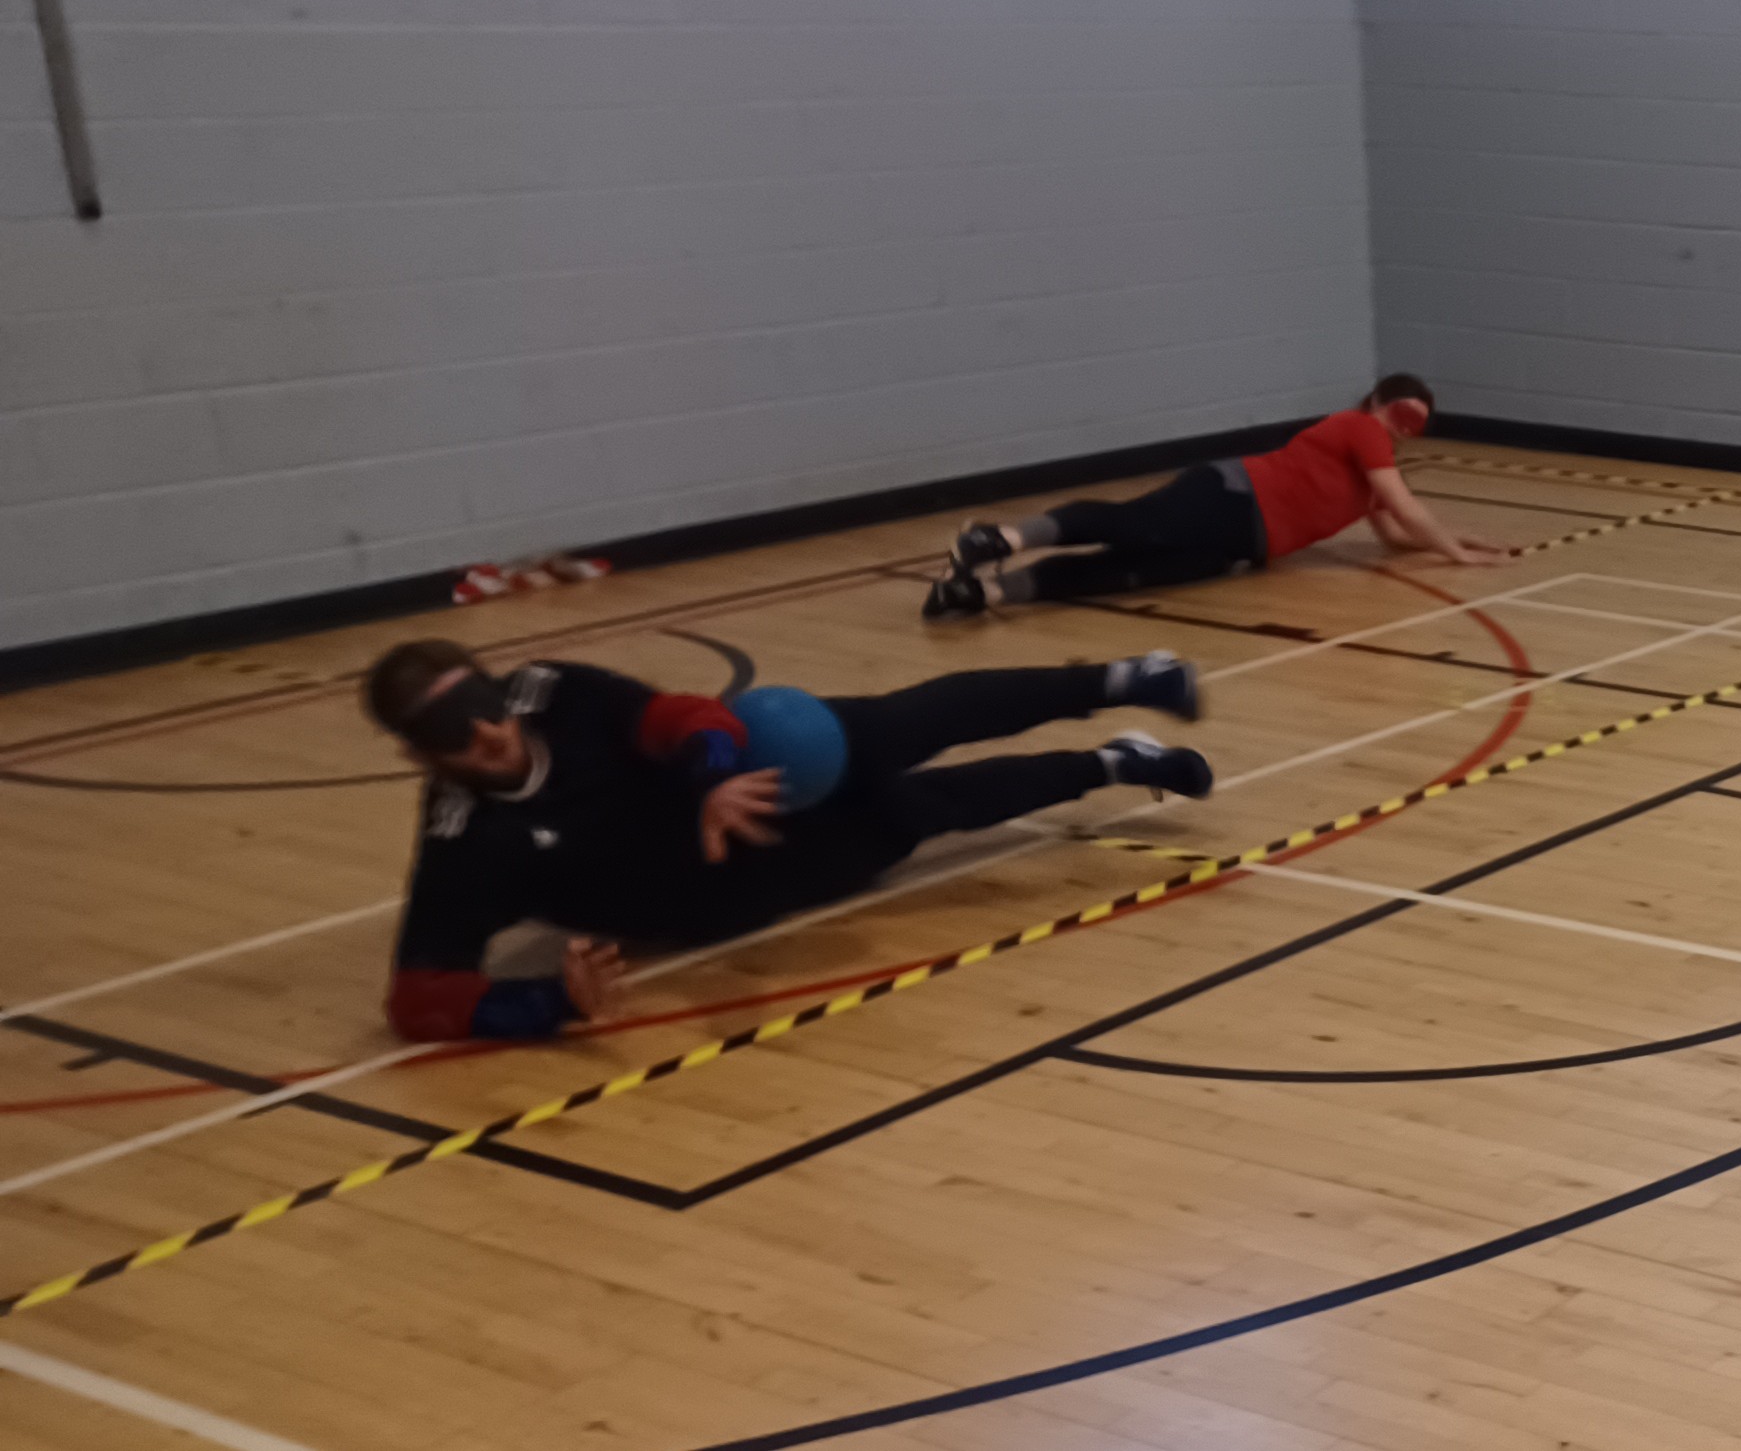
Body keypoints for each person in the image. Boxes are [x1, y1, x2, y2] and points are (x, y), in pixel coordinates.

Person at [364, 640, 1213, 1042]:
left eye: (483, 705)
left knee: (907, 720)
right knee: (924, 808)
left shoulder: (556, 692)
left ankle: (1120, 676)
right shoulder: (469, 841)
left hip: (759, 775)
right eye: (450, 730)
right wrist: (550, 1002)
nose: (486, 733)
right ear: (416, 753)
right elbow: (417, 996)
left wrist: (712, 776)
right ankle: (1111, 764)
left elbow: (679, 715)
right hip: (731, 886)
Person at [922, 373, 1511, 619]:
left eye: (1413, 426)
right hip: (1233, 495)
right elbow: (1405, 507)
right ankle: (996, 539)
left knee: (1127, 573)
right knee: (1133, 525)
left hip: (1243, 546)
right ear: (1377, 404)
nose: (1401, 431)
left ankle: (982, 592)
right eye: (1399, 416)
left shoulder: (1375, 469)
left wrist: (1460, 540)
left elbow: (1395, 532)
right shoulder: (1360, 428)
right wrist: (1456, 556)